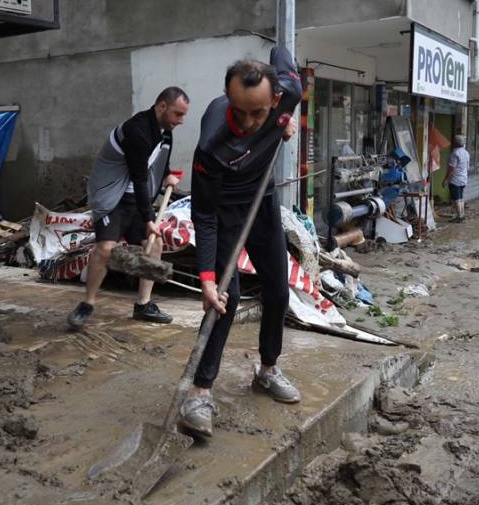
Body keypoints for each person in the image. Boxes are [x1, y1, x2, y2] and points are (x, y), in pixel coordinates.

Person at [180, 47, 303, 438]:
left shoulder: (289, 94)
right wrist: (206, 278)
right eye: (240, 110)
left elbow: (281, 52)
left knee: (278, 291)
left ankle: (267, 370)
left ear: (276, 99)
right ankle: (199, 393)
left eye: (259, 112)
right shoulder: (212, 143)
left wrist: (285, 124)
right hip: (225, 213)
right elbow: (203, 215)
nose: (248, 121)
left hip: (262, 203)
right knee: (224, 300)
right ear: (227, 99)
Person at [66, 88, 188, 330]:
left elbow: (159, 159)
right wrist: (149, 217)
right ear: (161, 107)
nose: (180, 121)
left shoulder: (165, 131)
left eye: (183, 115)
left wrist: (167, 176)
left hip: (134, 198)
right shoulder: (137, 131)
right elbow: (139, 177)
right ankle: (87, 304)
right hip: (113, 198)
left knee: (155, 246)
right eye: (177, 114)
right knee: (105, 249)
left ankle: (143, 305)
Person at [444, 135, 470, 222]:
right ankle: (462, 215)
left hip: (455, 180)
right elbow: (467, 167)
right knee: (461, 197)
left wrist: (446, 179)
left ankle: (460, 217)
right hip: (463, 179)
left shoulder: (455, 153)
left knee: (456, 199)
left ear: (455, 143)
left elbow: (451, 168)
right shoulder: (466, 153)